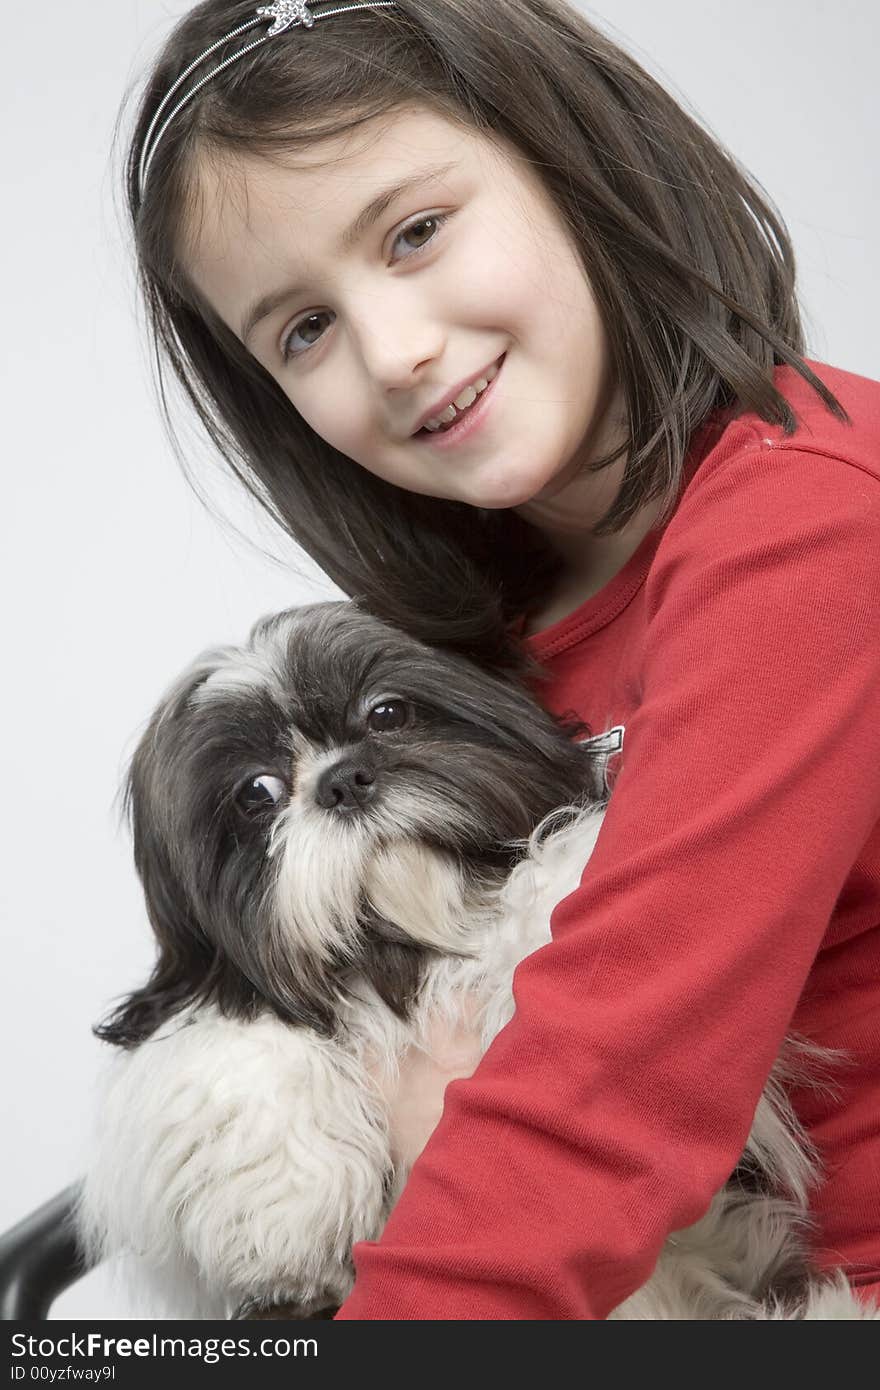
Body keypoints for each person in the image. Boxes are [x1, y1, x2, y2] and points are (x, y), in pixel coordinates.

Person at [123, 0, 880, 1317]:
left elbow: (613, 1089)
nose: (397, 351)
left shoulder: (811, 521)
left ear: (568, 154)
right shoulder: (486, 643)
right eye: (304, 329)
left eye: (415, 232)